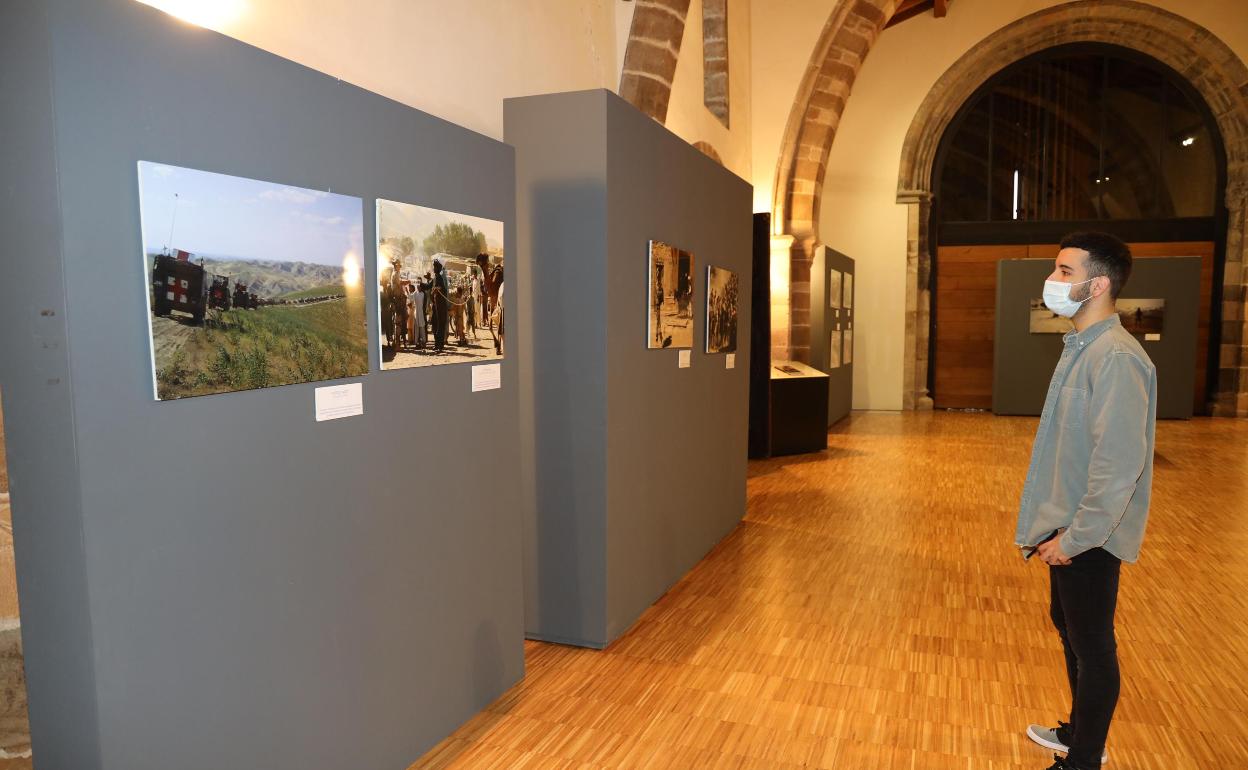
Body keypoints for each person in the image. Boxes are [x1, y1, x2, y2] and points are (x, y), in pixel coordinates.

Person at [1016, 232, 1157, 770]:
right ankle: (1078, 734)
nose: (1053, 282)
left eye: (1064, 271)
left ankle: (1084, 760)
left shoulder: (1117, 358)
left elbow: (1119, 466)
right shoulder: (1082, 347)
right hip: (1066, 529)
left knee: (1093, 646)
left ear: (1097, 285)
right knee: (1071, 627)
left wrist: (1073, 540)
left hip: (1087, 536)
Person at [431, 260, 449, 353]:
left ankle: (440, 345)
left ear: (438, 268)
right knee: (436, 325)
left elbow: (443, 289)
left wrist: (436, 289)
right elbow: (431, 287)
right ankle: (437, 344)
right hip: (436, 305)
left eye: (435, 267)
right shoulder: (435, 278)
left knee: (440, 325)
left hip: (441, 306)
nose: (433, 268)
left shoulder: (440, 278)